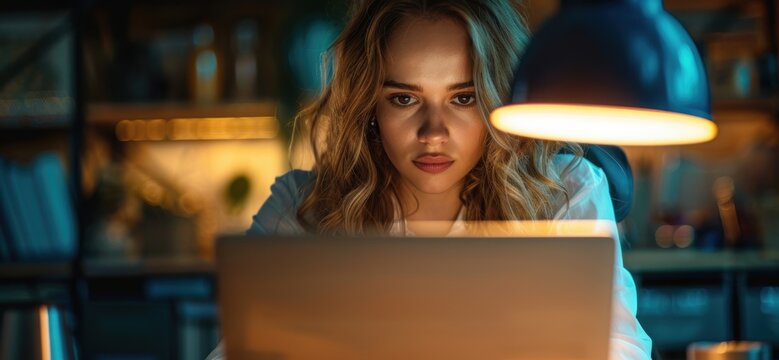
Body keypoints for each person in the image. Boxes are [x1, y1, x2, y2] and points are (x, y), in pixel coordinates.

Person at [207, 0, 652, 359]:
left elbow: (622, 348)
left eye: (464, 97)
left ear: (499, 98)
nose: (433, 132)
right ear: (370, 108)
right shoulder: (300, 208)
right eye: (404, 98)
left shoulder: (566, 190)